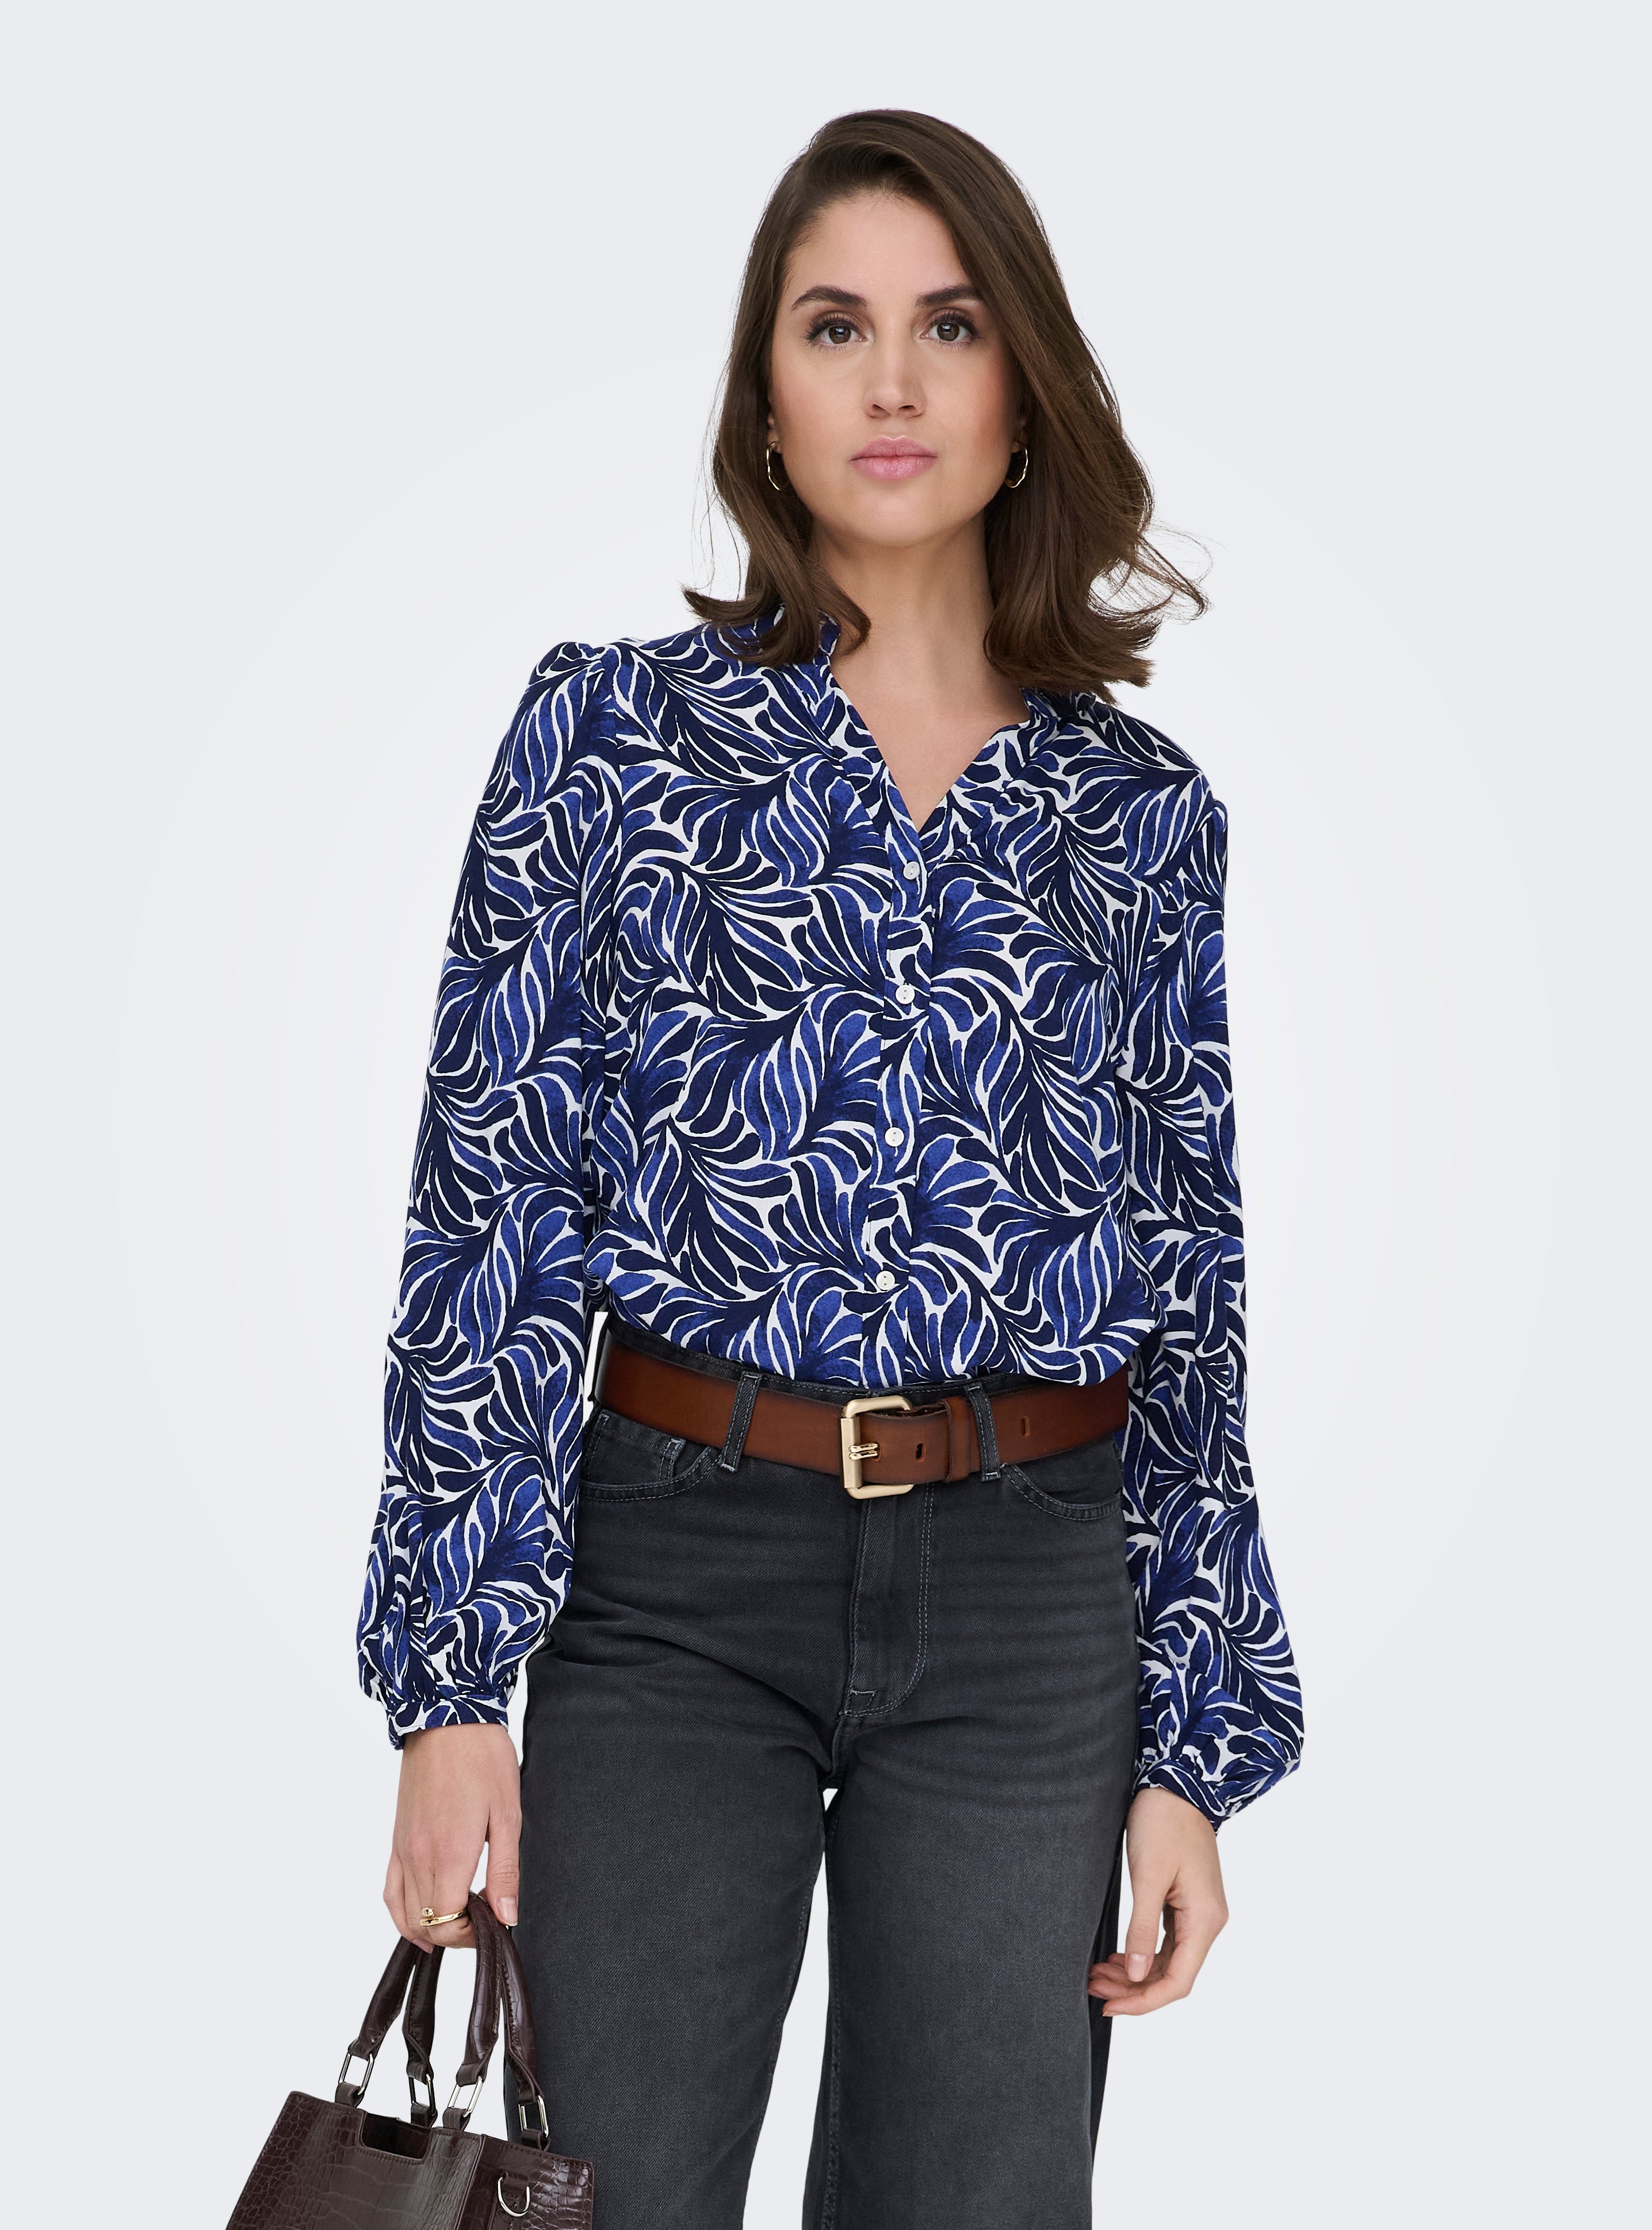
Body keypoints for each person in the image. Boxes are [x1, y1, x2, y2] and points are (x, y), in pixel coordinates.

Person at [357, 108, 1302, 2230]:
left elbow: (1190, 1278)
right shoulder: (612, 741)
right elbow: (489, 1202)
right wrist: (450, 1686)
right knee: (600, 2193)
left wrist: (1190, 1746)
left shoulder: (1140, 817)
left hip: (1032, 1595)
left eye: (948, 325)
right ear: (763, 400)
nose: (892, 380)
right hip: (674, 1572)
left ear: (1022, 390)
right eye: (834, 325)